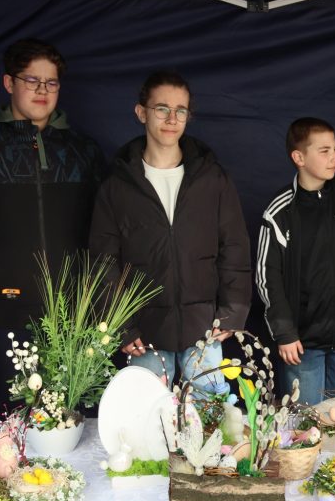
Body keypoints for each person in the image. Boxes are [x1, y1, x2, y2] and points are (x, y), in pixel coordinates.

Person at [0, 38, 105, 424]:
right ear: (9, 83)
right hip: (3, 312)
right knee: (19, 425)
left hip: (75, 314)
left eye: (51, 82)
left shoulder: (83, 151)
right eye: (32, 80)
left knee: (77, 420)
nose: (42, 90)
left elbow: (105, 229)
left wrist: (100, 298)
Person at [89, 70, 252, 392]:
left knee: (209, 419)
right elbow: (104, 262)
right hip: (145, 334)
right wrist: (121, 326)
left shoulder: (212, 179)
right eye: (162, 108)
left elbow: (234, 246)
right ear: (141, 112)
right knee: (146, 420)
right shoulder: (116, 186)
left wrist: (233, 312)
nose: (172, 119)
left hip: (204, 330)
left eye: (181, 110)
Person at [255, 118, 335, 404]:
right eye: (324, 151)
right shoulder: (280, 211)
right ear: (299, 158)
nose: (334, 157)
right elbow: (267, 278)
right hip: (302, 343)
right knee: (306, 423)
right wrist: (285, 333)